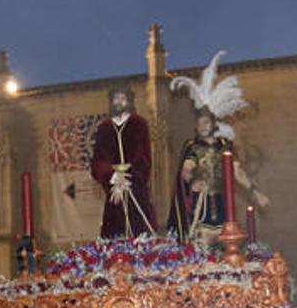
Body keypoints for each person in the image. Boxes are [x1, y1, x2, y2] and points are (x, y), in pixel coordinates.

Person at [169, 109, 268, 247]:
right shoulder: (193, 147)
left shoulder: (225, 145)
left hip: (223, 203)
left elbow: (237, 172)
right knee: (201, 246)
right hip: (202, 205)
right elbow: (185, 170)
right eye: (199, 123)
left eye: (206, 122)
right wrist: (193, 181)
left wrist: (255, 192)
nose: (202, 126)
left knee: (228, 245)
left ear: (214, 124)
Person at [89, 87, 156, 239]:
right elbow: (97, 162)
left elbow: (143, 158)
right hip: (114, 193)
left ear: (129, 101)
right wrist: (113, 177)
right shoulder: (104, 128)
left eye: (123, 98)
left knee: (141, 236)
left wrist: (125, 179)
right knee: (114, 238)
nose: (119, 102)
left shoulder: (139, 124)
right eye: (116, 98)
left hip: (135, 191)